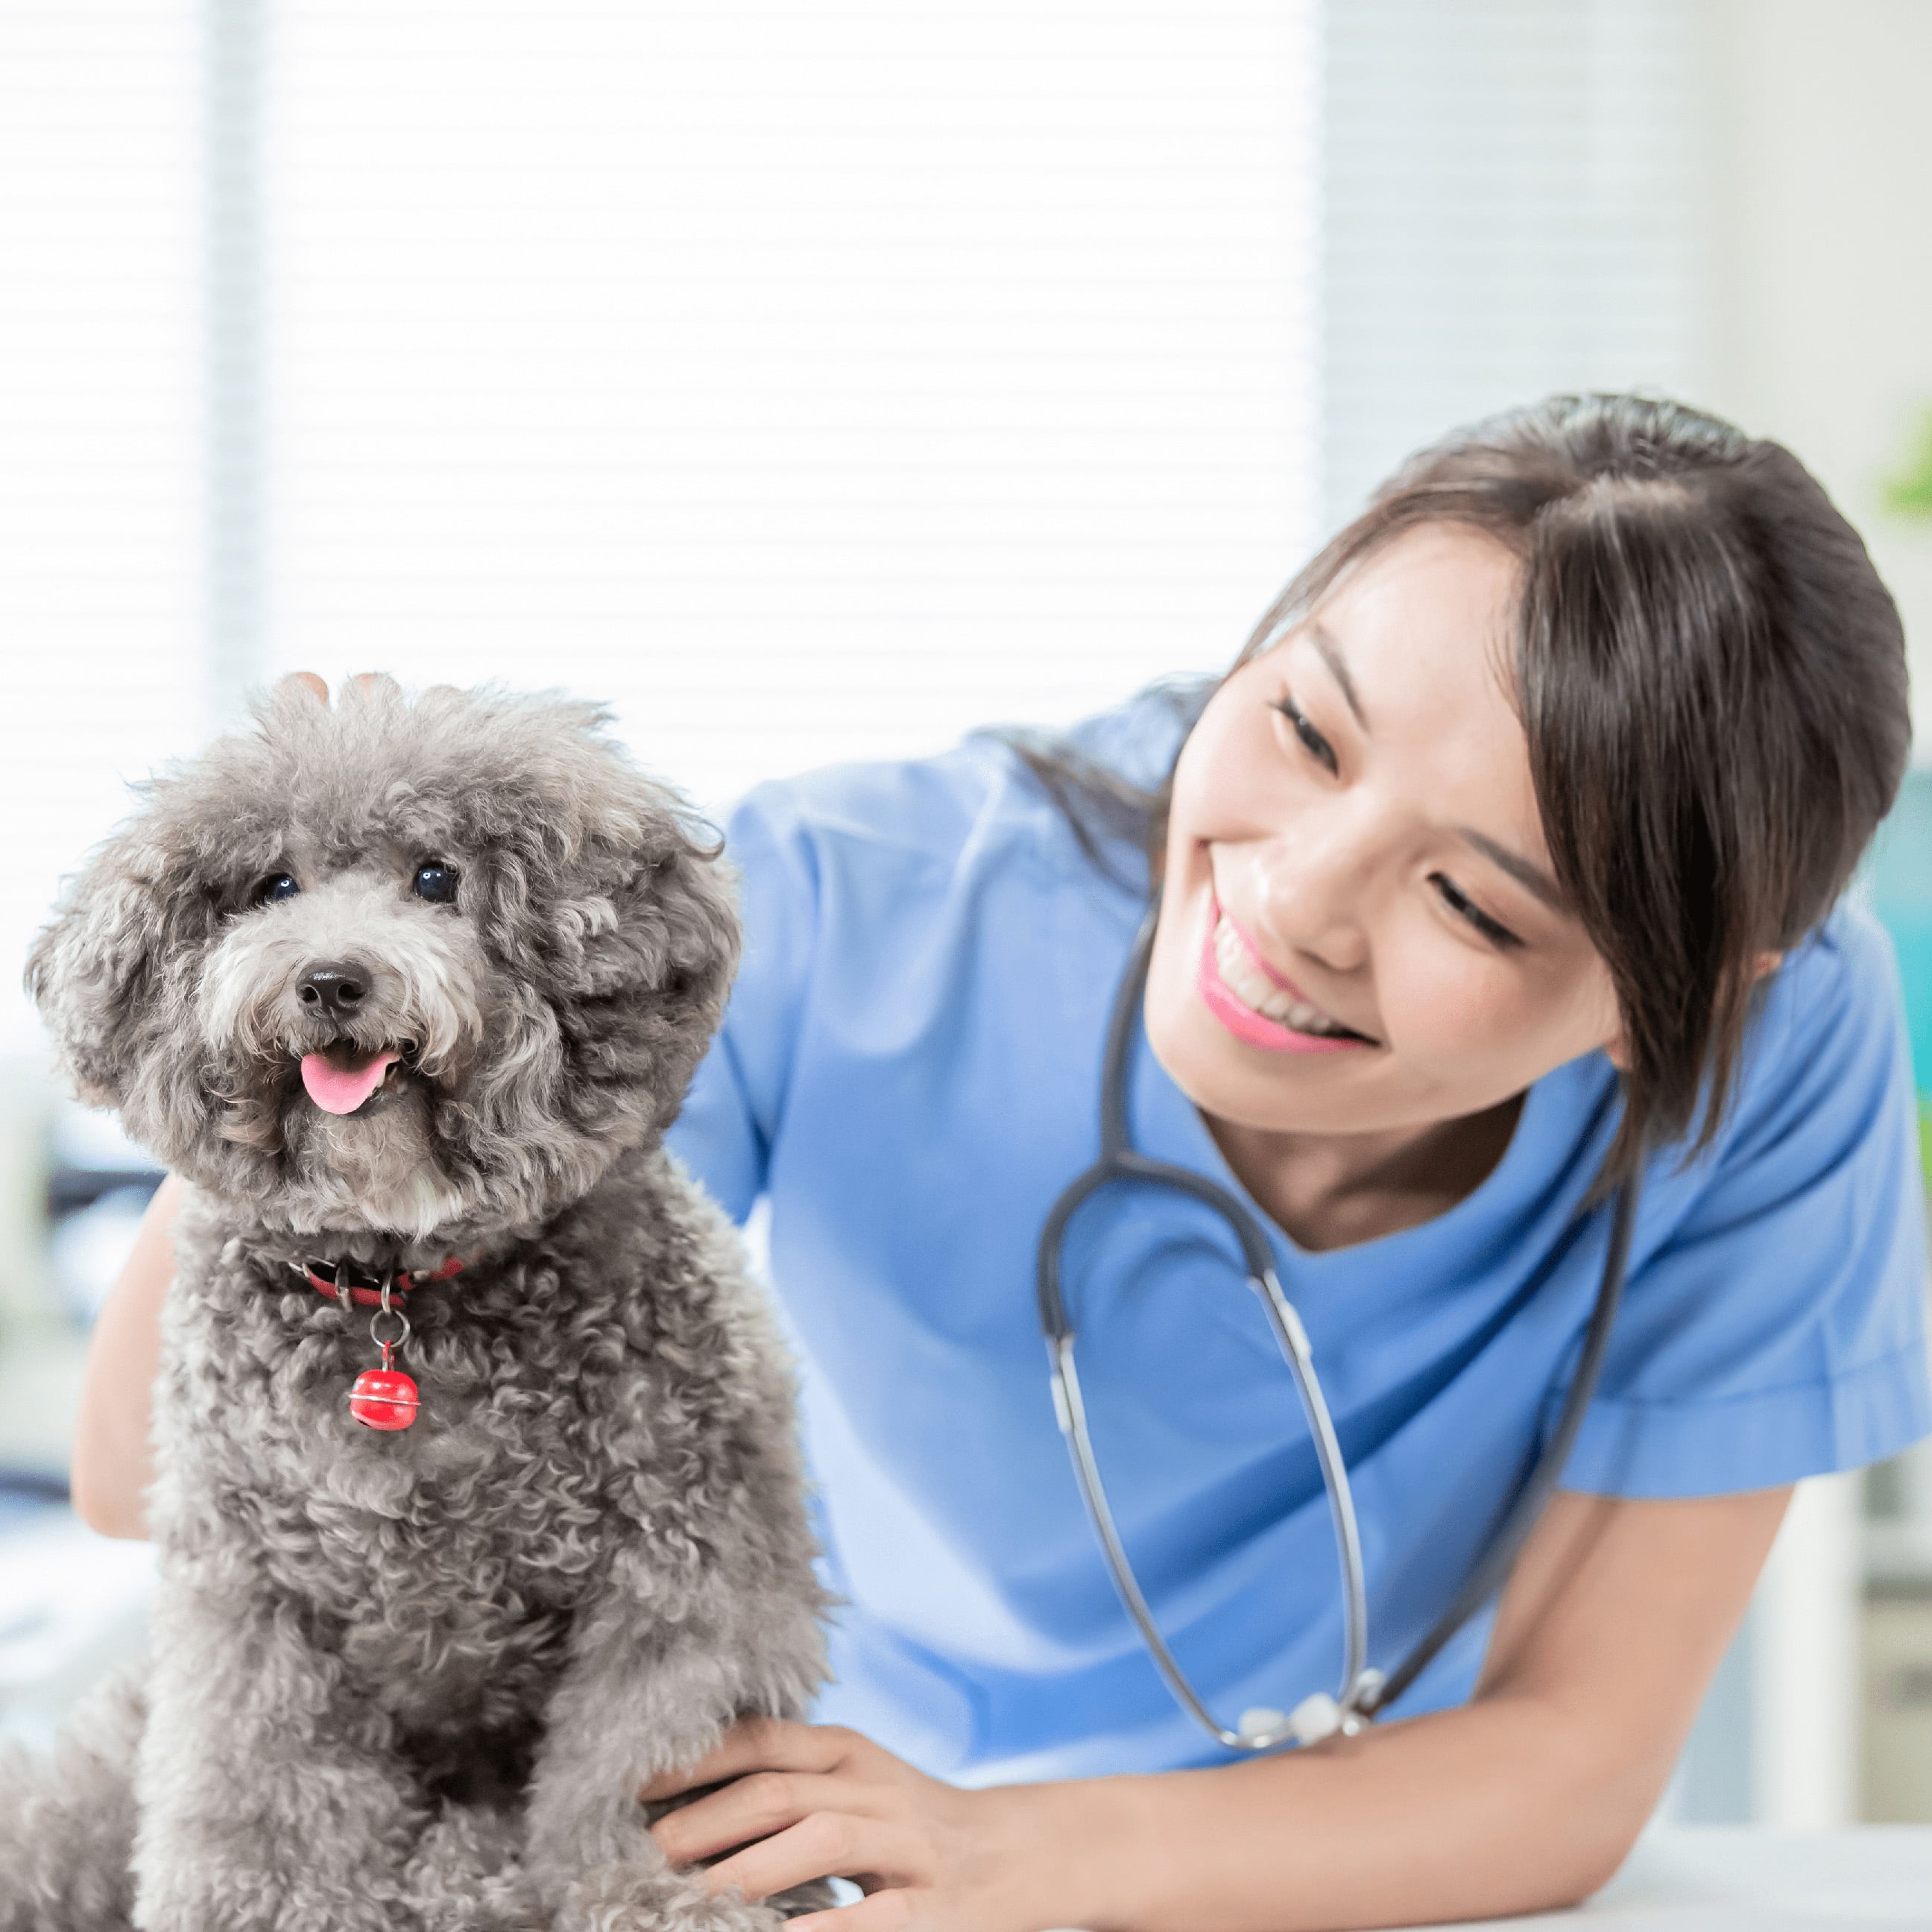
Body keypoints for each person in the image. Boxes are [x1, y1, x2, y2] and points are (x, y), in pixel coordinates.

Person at [70, 395, 1931, 1931]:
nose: (1296, 901)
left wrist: (1031, 1854)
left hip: (1331, 1871)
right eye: (1302, 726)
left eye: (1467, 896)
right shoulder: (858, 907)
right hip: (806, 1855)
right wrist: (337, 973)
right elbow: (138, 1476)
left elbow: (1573, 1763)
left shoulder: (1780, 1053)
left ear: (1689, 989)